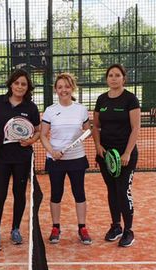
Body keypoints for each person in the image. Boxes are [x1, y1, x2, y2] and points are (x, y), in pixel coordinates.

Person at [0, 69, 41, 251]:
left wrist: (31, 140)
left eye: (23, 84)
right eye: (17, 83)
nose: (19, 87)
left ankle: (15, 229)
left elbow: (38, 130)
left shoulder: (31, 107)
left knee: (19, 194)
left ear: (28, 88)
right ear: (11, 84)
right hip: (1, 157)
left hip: (22, 158)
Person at [40, 72, 92, 245]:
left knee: (79, 193)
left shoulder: (81, 109)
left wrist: (83, 135)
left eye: (67, 86)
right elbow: (43, 135)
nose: (64, 90)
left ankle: (82, 228)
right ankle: (56, 227)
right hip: (55, 160)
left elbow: (87, 131)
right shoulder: (50, 111)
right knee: (56, 193)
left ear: (72, 88)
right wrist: (52, 151)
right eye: (60, 87)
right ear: (56, 89)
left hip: (77, 158)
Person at [92, 64, 141, 247]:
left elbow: (136, 128)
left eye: (117, 75)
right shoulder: (101, 99)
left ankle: (128, 230)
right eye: (110, 75)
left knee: (123, 190)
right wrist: (97, 145)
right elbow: (96, 126)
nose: (113, 78)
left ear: (123, 78)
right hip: (106, 156)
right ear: (107, 79)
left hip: (124, 155)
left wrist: (127, 152)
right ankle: (116, 226)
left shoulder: (130, 99)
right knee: (112, 191)